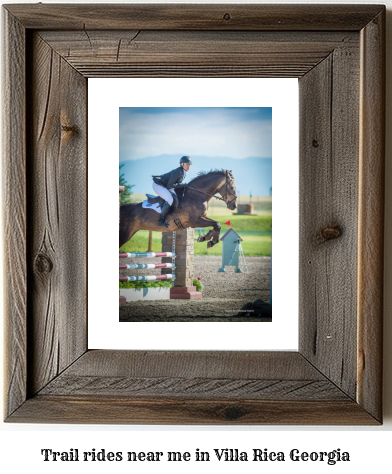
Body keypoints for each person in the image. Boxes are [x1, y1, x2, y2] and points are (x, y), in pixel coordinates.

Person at [152, 156, 192, 227]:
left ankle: (170, 215)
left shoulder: (184, 172)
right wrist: (182, 185)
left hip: (166, 186)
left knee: (176, 199)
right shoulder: (178, 172)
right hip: (158, 185)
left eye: (189, 164)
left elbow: (174, 184)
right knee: (170, 199)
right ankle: (161, 220)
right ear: (182, 164)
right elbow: (170, 185)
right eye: (187, 164)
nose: (188, 166)